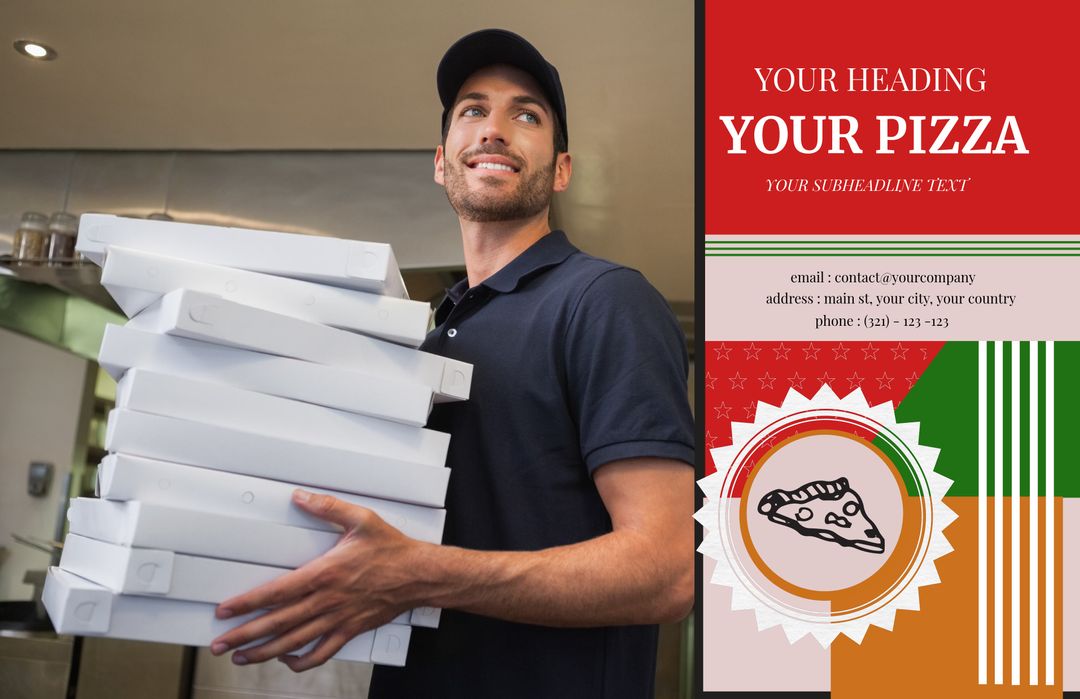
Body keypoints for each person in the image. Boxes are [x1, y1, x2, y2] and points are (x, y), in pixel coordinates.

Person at [208, 28, 695, 698]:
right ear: (443, 161)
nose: (495, 129)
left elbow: (664, 570)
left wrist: (420, 572)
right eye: (474, 110)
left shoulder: (604, 300)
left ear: (561, 169)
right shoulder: (435, 336)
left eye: (526, 115)